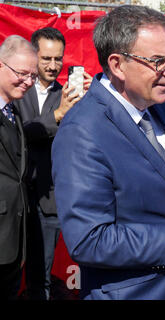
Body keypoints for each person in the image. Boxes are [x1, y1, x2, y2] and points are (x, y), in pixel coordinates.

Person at [51, 5, 165, 300]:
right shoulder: (82, 131)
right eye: (158, 62)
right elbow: (88, 240)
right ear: (118, 65)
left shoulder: (162, 106)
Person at [13, 27, 92, 300]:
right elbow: (19, 134)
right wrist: (57, 115)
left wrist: (91, 100)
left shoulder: (70, 94)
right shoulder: (15, 90)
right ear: (34, 56)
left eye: (58, 59)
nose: (53, 65)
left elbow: (85, 138)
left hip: (53, 201)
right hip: (15, 201)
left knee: (42, 278)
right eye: (46, 58)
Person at [0, 35, 38, 299]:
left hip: (13, 243)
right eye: (22, 74)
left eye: (32, 76)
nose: (29, 82)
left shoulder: (15, 111)